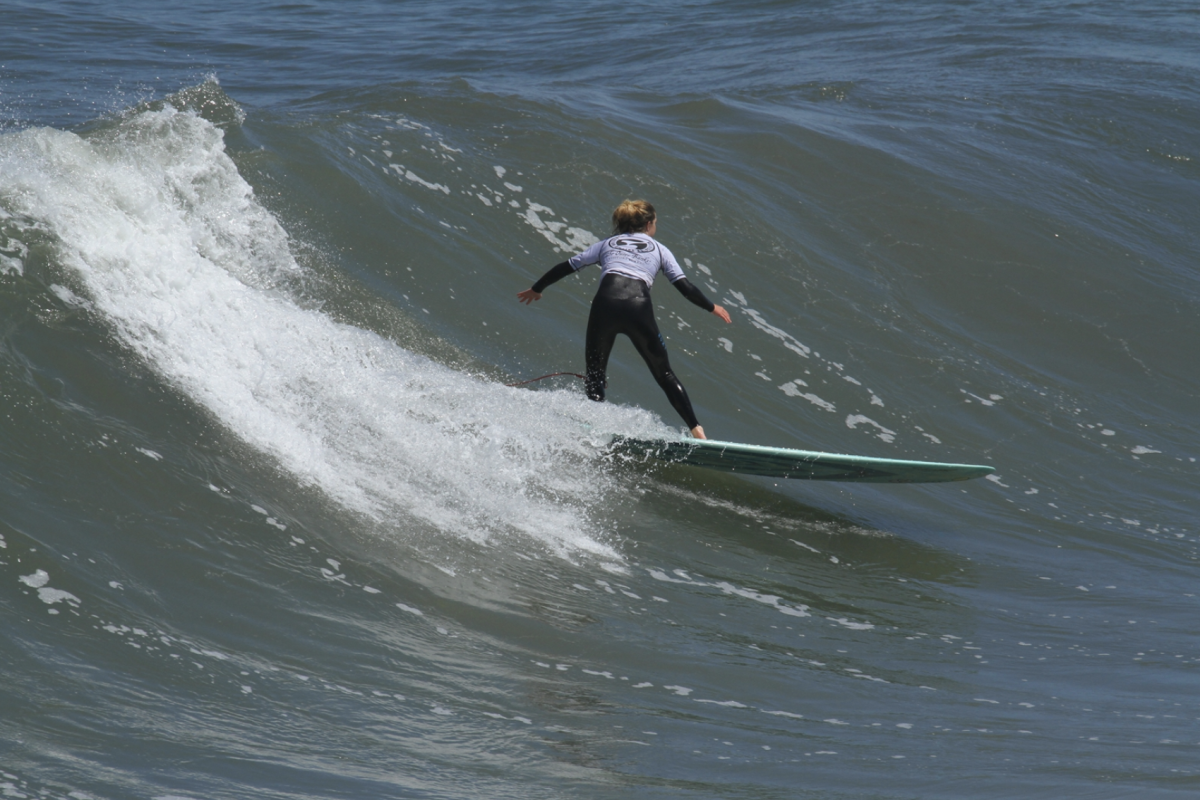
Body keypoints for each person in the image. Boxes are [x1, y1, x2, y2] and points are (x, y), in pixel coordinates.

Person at [517, 200, 731, 440]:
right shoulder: (660, 249)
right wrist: (712, 307)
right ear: (648, 224)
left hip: (605, 305)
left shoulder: (606, 244)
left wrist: (537, 288)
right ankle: (697, 431)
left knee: (595, 374)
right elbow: (685, 287)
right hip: (637, 307)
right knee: (665, 374)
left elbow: (567, 266)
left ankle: (593, 431)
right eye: (655, 222)